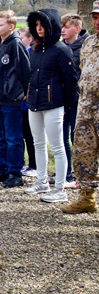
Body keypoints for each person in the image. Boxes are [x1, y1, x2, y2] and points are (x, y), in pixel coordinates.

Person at [22, 9, 77, 203]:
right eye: (36, 25)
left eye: (42, 25)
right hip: (35, 103)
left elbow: (71, 81)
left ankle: (60, 188)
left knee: (57, 146)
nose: (39, 29)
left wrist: (65, 104)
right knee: (38, 143)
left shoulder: (61, 50)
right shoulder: (36, 49)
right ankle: (42, 180)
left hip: (54, 104)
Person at [0, 10, 30, 188]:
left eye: (0, 24)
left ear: (11, 26)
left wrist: (23, 91)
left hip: (11, 98)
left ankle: (15, 172)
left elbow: (25, 70)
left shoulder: (16, 45)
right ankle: (1, 169)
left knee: (13, 137)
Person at [63, 1, 99, 214]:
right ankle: (87, 198)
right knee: (83, 154)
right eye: (94, 17)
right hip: (86, 108)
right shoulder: (89, 43)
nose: (97, 21)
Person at [60, 13, 87, 187]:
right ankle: (66, 170)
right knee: (60, 137)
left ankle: (79, 174)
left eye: (67, 26)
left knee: (76, 137)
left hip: (78, 100)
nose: (63, 29)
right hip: (61, 100)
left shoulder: (85, 47)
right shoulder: (60, 48)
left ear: (77, 29)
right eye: (62, 26)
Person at [18, 27, 37, 176]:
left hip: (28, 103)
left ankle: (34, 164)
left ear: (29, 39)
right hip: (19, 103)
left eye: (22, 37)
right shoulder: (22, 53)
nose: (19, 40)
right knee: (23, 134)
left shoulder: (31, 54)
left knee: (30, 135)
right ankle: (24, 162)